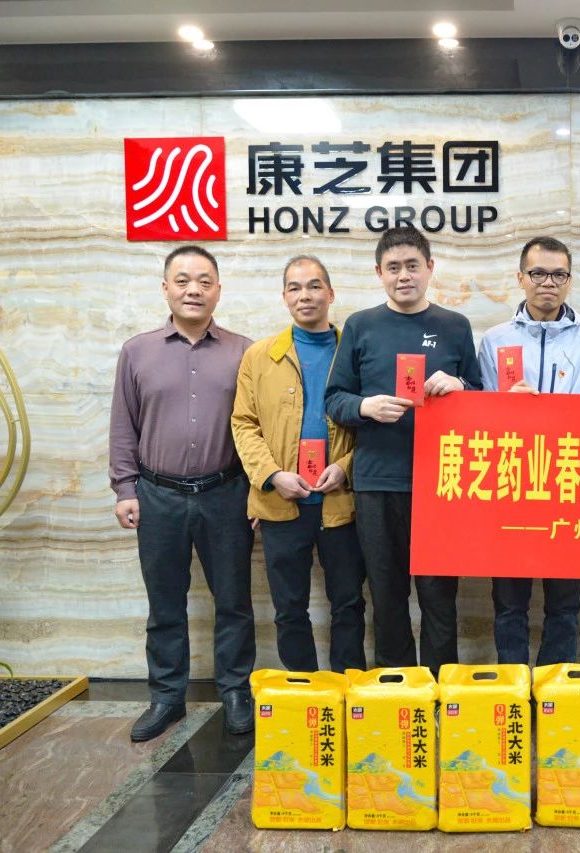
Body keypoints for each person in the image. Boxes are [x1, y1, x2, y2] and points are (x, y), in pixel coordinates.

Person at [109, 245, 255, 741]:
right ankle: (167, 698)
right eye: (183, 280)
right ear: (166, 288)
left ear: (218, 289)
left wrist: (258, 493)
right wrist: (125, 488)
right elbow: (123, 425)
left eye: (204, 281)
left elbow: (257, 428)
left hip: (227, 493)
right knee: (165, 603)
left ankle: (235, 692)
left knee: (233, 600)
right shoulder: (137, 351)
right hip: (158, 495)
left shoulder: (244, 352)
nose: (194, 290)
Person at [325, 226, 481, 674]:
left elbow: (482, 397)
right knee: (387, 594)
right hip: (377, 482)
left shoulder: (455, 326)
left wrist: (460, 385)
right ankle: (395, 691)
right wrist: (365, 407)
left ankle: (441, 690)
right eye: (393, 268)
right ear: (379, 273)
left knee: (439, 596)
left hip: (441, 484)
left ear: (430, 268)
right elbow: (334, 399)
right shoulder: (361, 326)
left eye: (412, 265)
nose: (403, 276)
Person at [478, 235, 580, 667]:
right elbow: (480, 413)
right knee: (509, 602)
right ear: (521, 278)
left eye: (558, 274)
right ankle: (514, 684)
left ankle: (556, 686)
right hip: (510, 485)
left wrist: (544, 412)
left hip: (569, 485)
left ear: (569, 281)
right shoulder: (494, 339)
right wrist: (507, 408)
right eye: (538, 273)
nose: (547, 282)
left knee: (565, 603)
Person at [231, 254, 366, 675]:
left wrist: (345, 467)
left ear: (331, 293)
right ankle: (304, 691)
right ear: (284, 296)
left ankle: (347, 688)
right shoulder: (260, 356)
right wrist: (272, 476)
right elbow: (243, 424)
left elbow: (374, 428)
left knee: (349, 603)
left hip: (341, 504)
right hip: (281, 503)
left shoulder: (354, 352)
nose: (304, 295)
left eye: (313, 286)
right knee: (289, 608)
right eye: (295, 287)